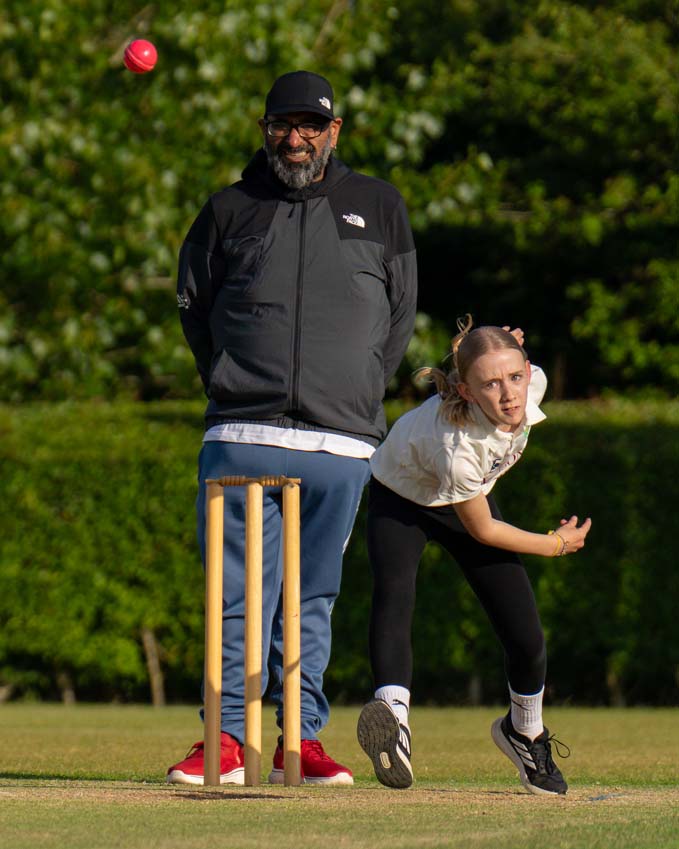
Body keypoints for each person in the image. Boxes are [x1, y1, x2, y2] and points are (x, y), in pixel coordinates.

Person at [167, 70, 417, 786]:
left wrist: (358, 389)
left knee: (312, 600)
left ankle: (298, 742)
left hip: (340, 442)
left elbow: (399, 315)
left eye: (311, 124)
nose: (296, 137)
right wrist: (233, 383)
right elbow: (194, 308)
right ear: (265, 129)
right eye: (283, 124)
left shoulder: (378, 204)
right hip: (243, 434)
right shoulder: (228, 208)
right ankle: (224, 741)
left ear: (334, 131)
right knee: (235, 597)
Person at [356, 316, 591, 794]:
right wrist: (555, 543)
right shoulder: (458, 447)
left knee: (525, 632)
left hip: (467, 496)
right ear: (465, 391)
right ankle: (394, 720)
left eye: (515, 376)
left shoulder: (533, 384)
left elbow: (510, 369)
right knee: (395, 595)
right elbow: (483, 530)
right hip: (400, 496)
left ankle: (524, 730)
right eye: (490, 384)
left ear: (528, 369)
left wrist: (498, 353)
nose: (509, 395)